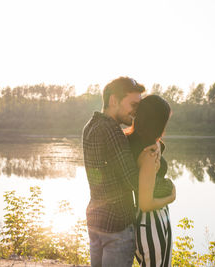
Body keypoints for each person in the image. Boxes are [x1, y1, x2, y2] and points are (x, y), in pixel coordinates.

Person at [82, 77, 163, 267]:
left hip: (96, 221)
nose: (136, 112)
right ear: (113, 101)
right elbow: (133, 181)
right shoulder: (112, 131)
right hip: (116, 227)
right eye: (133, 105)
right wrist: (150, 165)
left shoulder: (90, 125)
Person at [125, 95, 176, 267]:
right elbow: (146, 203)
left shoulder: (141, 144)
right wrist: (171, 198)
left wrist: (158, 147)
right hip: (152, 224)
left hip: (151, 223)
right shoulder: (148, 153)